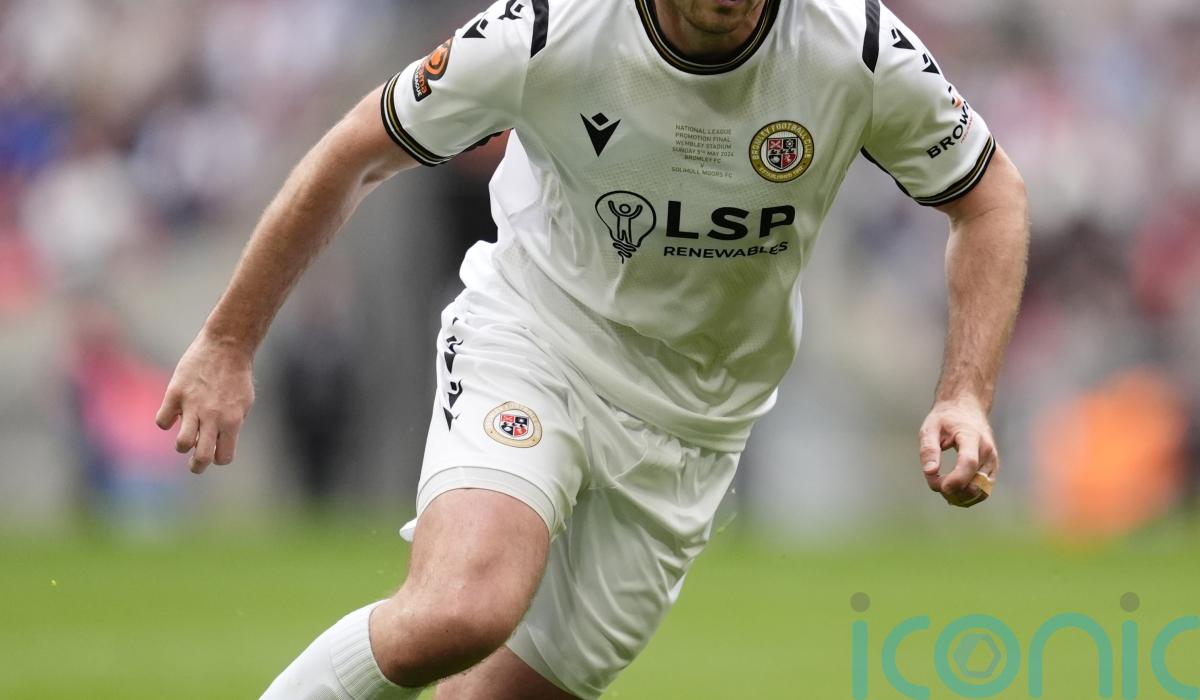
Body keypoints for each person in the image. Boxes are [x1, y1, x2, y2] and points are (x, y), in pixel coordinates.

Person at [155, 0, 1029, 697]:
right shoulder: (548, 29)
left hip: (696, 421)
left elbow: (990, 197)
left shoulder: (858, 46)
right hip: (539, 343)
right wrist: (228, 342)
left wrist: (964, 391)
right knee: (460, 612)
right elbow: (358, 151)